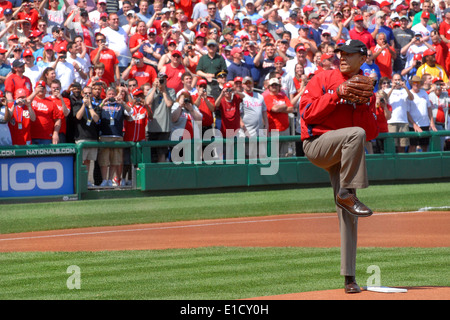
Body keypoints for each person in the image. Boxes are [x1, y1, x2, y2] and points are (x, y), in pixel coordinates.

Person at [299, 39, 379, 294]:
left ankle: (349, 278)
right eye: (340, 53)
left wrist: (367, 105)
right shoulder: (322, 78)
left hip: (344, 154)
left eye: (349, 54)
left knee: (349, 216)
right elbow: (307, 114)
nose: (342, 57)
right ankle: (347, 193)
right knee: (354, 134)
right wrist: (336, 95)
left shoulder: (366, 87)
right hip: (318, 144)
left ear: (362, 59)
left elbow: (372, 133)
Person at [98, 86, 133, 187]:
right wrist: (103, 103)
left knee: (115, 159)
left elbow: (131, 112)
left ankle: (110, 179)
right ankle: (104, 180)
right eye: (109, 94)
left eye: (113, 94)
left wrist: (123, 102)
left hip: (117, 135)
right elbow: (95, 113)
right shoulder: (103, 104)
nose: (111, 96)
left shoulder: (120, 105)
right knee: (104, 160)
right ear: (106, 95)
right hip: (104, 135)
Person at [73, 84, 100, 187]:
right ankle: (80, 181)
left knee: (88, 162)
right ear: (82, 94)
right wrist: (84, 105)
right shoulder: (77, 103)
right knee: (81, 161)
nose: (87, 95)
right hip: (81, 138)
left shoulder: (95, 105)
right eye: (85, 93)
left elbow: (96, 119)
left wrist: (90, 106)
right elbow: (78, 117)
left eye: (89, 93)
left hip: (92, 137)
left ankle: (87, 181)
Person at [145, 72, 176, 163]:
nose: (162, 81)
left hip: (164, 128)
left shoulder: (170, 91)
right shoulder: (152, 90)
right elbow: (147, 102)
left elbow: (169, 104)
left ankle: (160, 174)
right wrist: (154, 88)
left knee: (161, 153)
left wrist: (164, 91)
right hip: (151, 127)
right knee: (151, 153)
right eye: (160, 79)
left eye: (164, 80)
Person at [264, 77, 294, 157]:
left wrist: (279, 108)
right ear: (269, 87)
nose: (274, 86)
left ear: (279, 86)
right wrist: (284, 106)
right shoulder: (266, 97)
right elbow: (274, 109)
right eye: (272, 85)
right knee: (274, 155)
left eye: (276, 85)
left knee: (284, 154)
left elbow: (291, 109)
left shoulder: (283, 96)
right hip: (273, 129)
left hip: (285, 129)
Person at [407, 75, 437, 152]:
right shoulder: (408, 93)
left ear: (420, 83)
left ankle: (424, 163)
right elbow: (407, 112)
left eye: (417, 82)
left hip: (425, 124)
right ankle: (412, 163)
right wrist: (414, 124)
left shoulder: (424, 93)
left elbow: (429, 108)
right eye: (414, 82)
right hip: (413, 126)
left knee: (424, 146)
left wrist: (432, 122)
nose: (416, 84)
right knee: (412, 146)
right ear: (411, 84)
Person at [240, 76, 268, 158]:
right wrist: (244, 129)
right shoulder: (241, 97)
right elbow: (238, 115)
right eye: (246, 83)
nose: (248, 85)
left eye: (250, 83)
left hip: (259, 130)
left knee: (260, 155)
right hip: (247, 130)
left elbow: (264, 111)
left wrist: (266, 126)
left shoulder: (259, 96)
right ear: (243, 85)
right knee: (248, 156)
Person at [385, 73, 414, 153]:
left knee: (402, 146)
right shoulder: (387, 90)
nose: (397, 82)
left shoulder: (404, 91)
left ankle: (402, 164)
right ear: (392, 81)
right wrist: (392, 88)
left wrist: (405, 87)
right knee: (392, 145)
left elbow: (411, 98)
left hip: (403, 121)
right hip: (391, 122)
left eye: (399, 80)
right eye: (395, 80)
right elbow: (384, 99)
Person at [30, 80, 62, 145]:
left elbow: (58, 119)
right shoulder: (30, 100)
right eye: (39, 87)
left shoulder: (51, 103)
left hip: (46, 137)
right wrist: (35, 92)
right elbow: (26, 101)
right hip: (30, 136)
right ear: (35, 89)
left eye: (43, 88)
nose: (41, 89)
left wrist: (55, 133)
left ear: (46, 90)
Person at [428, 77, 449, 150]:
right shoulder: (430, 95)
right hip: (432, 125)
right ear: (433, 85)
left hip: (443, 126)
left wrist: (447, 87)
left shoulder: (445, 94)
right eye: (437, 84)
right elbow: (421, 97)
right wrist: (430, 90)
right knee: (431, 147)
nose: (438, 86)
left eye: (440, 84)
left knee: (440, 148)